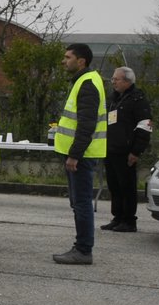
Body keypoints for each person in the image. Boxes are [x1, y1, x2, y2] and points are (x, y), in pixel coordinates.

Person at [52, 43, 107, 265]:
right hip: (79, 154)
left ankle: (83, 250)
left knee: (82, 202)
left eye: (67, 57)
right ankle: (82, 248)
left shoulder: (87, 84)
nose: (64, 61)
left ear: (81, 61)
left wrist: (74, 155)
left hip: (81, 156)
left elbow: (86, 124)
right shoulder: (84, 81)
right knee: (78, 202)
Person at [102, 66, 153, 232]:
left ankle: (129, 220)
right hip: (110, 149)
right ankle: (117, 217)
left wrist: (136, 151)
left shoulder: (138, 100)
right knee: (114, 185)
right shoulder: (114, 99)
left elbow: (145, 126)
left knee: (127, 186)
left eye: (116, 79)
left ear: (127, 81)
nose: (113, 82)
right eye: (113, 79)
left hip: (126, 151)